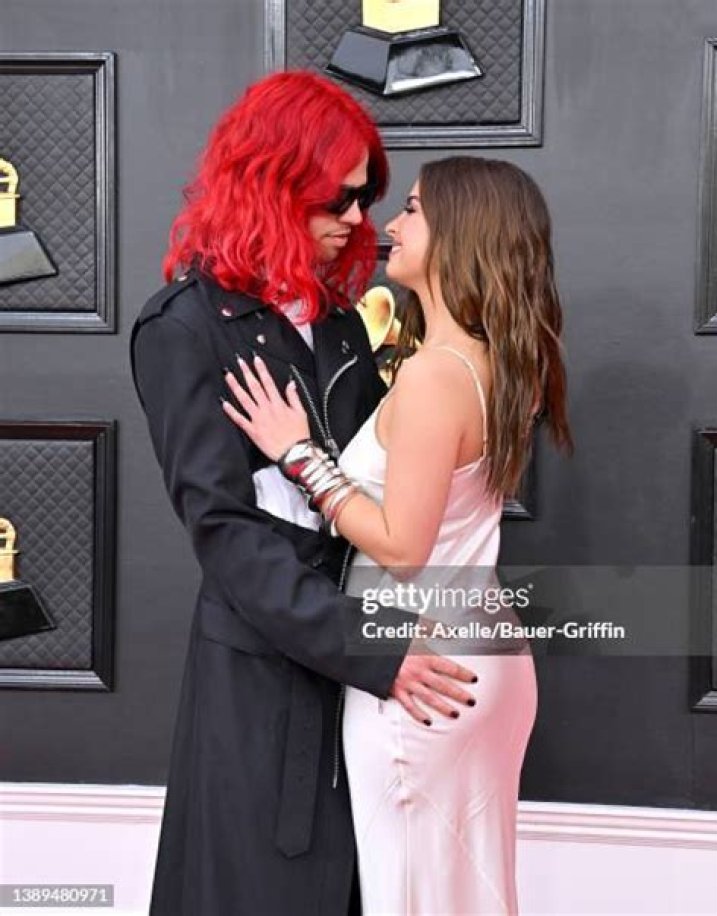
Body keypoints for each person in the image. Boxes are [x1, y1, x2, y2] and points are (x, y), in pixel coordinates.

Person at [130, 72, 479, 916]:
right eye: (340, 197)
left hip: (378, 682)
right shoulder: (182, 328)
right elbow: (224, 532)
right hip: (263, 685)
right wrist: (370, 647)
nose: (360, 219)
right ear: (273, 182)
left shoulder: (341, 316)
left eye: (370, 197)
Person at [222, 155, 574, 914]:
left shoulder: (434, 376)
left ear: (459, 231)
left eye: (412, 209)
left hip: (422, 674)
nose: (389, 225)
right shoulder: (494, 361)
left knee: (413, 897)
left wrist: (300, 456)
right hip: (482, 659)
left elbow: (402, 545)